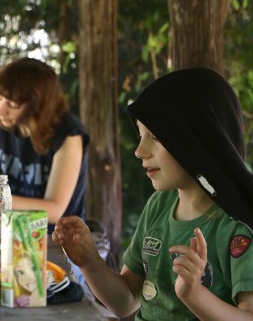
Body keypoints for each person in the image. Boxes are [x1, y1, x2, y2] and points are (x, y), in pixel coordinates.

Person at [53, 67, 253, 320]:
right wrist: (90, 262)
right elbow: (125, 301)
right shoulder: (159, 205)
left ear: (198, 141)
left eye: (156, 137)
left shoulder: (239, 226)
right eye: (140, 135)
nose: (139, 151)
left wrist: (195, 296)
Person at [0, 57, 89, 232]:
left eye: (11, 104)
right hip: (7, 231)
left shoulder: (68, 134)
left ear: (37, 105)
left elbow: (54, 210)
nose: (0, 110)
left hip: (57, 238)